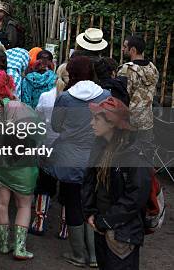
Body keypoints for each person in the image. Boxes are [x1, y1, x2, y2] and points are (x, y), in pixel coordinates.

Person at [44, 55, 110, 267]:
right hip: (97, 159)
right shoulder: (106, 95)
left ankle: (78, 254)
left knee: (73, 205)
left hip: (69, 158)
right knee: (93, 205)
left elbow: (55, 126)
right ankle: (94, 256)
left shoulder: (65, 98)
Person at [83, 97, 151, 270]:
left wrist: (106, 221)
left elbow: (136, 196)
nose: (92, 123)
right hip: (102, 226)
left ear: (112, 123)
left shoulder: (134, 155)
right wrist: (90, 212)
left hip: (122, 233)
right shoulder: (100, 146)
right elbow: (90, 181)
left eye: (97, 119)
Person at [0, 71, 41, 260]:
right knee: (24, 206)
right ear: (10, 86)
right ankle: (19, 248)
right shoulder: (18, 106)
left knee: (1, 203)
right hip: (23, 165)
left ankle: (3, 244)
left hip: (0, 164)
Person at [31, 64, 69, 238]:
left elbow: (38, 121)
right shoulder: (78, 99)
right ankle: (65, 228)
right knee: (68, 187)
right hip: (69, 150)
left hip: (47, 147)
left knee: (44, 185)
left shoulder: (46, 97)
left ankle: (39, 222)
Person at [118, 35, 158, 146]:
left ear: (133, 50)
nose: (122, 49)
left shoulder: (126, 70)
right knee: (144, 155)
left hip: (129, 123)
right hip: (147, 121)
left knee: (126, 155)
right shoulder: (153, 68)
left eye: (125, 46)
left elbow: (121, 97)